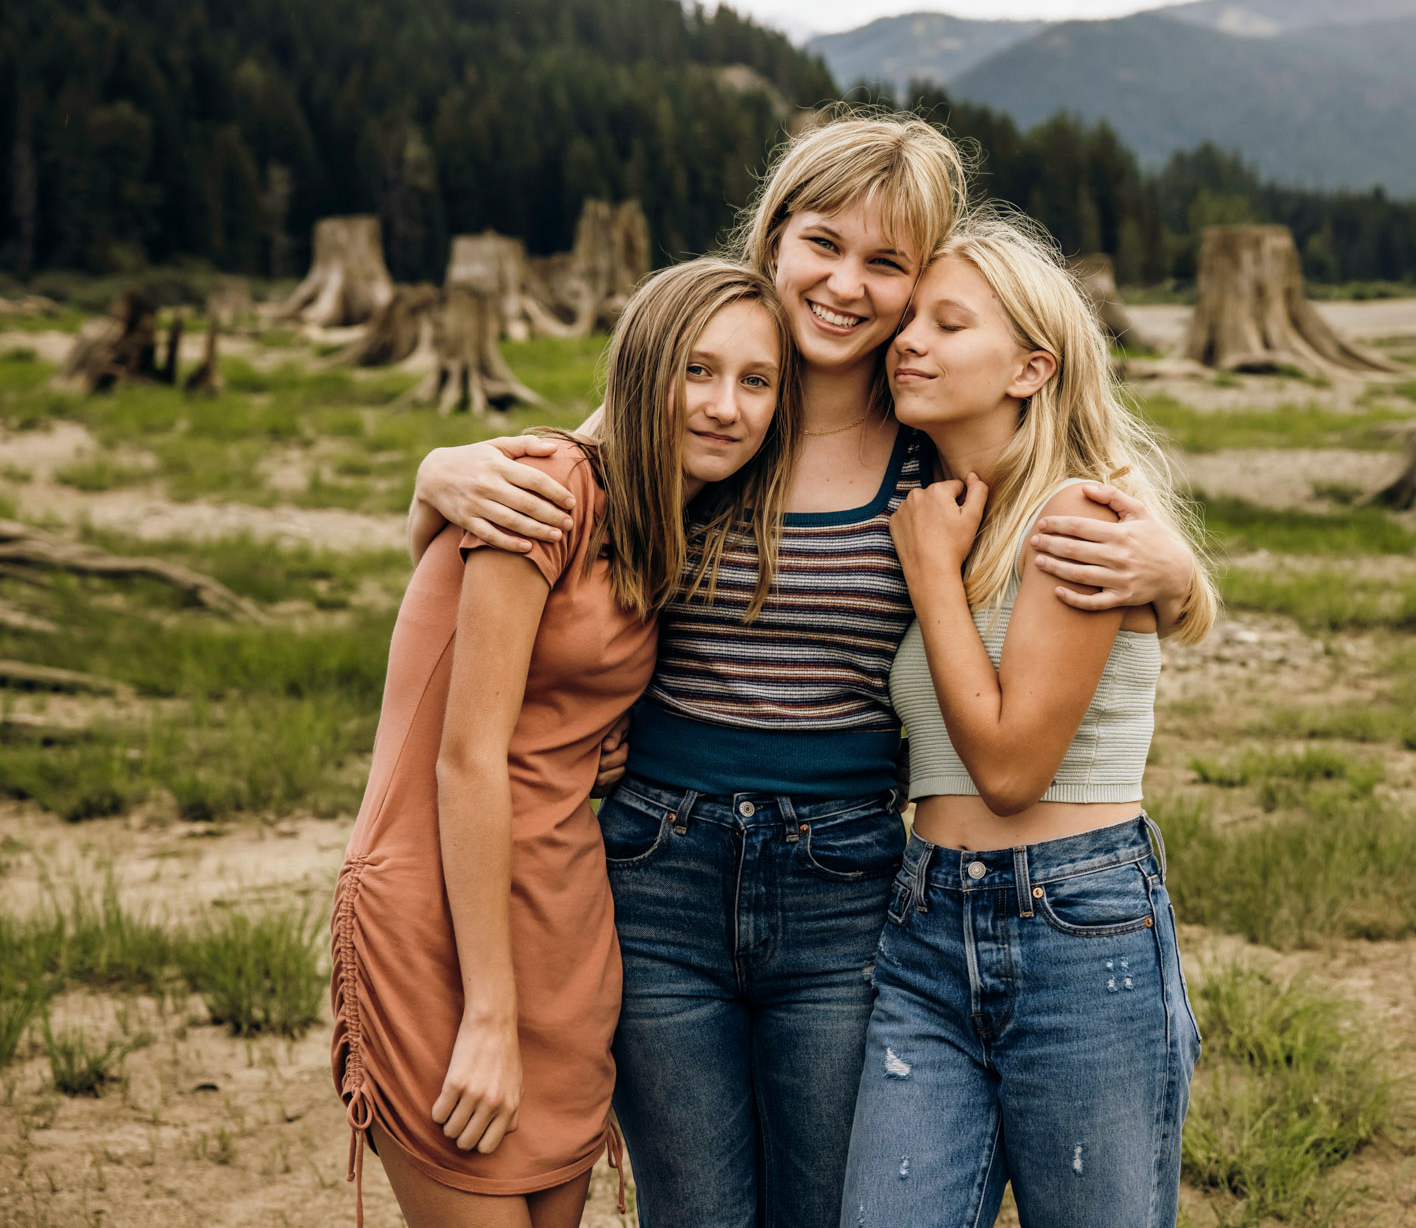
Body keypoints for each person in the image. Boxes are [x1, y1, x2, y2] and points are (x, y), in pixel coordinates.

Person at [404, 110, 1211, 1228]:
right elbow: (559, 486)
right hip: (657, 862)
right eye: (821, 244)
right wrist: (435, 474)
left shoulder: (931, 435)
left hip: (845, 876)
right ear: (772, 238)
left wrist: (1176, 577)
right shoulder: (712, 407)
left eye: (888, 264)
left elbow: (1072, 510)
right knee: (694, 1209)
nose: (846, 284)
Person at [330, 258, 797, 1228]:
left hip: (561, 910)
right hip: (445, 924)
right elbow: (468, 755)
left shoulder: (659, 516)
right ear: (641, 366)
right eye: (696, 370)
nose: (724, 406)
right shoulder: (543, 488)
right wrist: (488, 1016)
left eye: (755, 382)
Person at [843, 211, 1212, 1228]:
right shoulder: (938, 500)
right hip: (921, 927)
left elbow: (1008, 765)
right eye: (907, 318)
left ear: (1029, 367)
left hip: (1073, 929)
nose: (908, 339)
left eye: (948, 323)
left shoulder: (1073, 516)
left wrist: (928, 575)